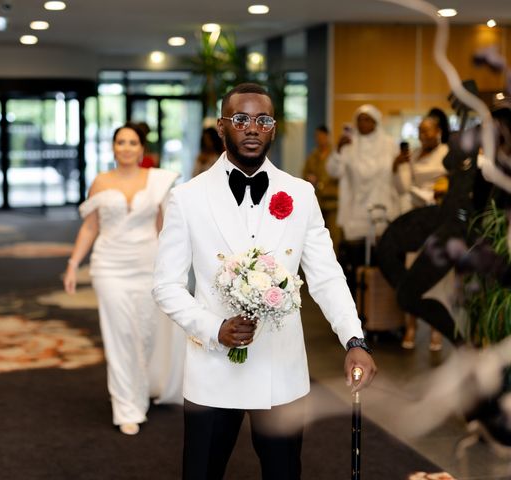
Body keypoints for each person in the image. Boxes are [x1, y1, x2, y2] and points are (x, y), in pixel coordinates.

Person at [152, 83, 376, 479]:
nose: (251, 128)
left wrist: (353, 339)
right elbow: (166, 285)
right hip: (214, 367)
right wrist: (214, 328)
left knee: (284, 473)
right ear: (222, 128)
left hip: (280, 366)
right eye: (240, 119)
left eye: (263, 120)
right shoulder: (187, 198)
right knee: (201, 471)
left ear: (274, 129)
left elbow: (325, 275)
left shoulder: (301, 194)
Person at [63, 122, 179, 435]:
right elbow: (90, 227)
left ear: (142, 149)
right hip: (109, 267)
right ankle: (127, 406)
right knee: (120, 335)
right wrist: (74, 264)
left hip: (147, 265)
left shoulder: (157, 181)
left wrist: (173, 269)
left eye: (132, 142)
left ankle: (144, 386)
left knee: (144, 334)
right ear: (113, 147)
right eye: (120, 142)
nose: (126, 148)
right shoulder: (101, 181)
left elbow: (163, 228)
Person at [326, 104, 400, 297]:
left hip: (383, 212)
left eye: (367, 119)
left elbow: (397, 176)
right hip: (356, 214)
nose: (362, 123)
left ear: (376, 122)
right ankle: (356, 310)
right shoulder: (350, 146)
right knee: (354, 266)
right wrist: (338, 150)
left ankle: (380, 316)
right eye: (359, 119)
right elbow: (333, 171)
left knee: (381, 266)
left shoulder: (389, 145)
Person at [393, 114, 449, 352]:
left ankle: (437, 329)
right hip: (416, 218)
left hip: (438, 217)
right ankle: (411, 326)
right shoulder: (414, 154)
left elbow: (451, 183)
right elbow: (403, 188)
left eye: (428, 130)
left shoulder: (447, 152)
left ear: (438, 131)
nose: (423, 135)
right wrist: (397, 166)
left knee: (437, 273)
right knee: (412, 272)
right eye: (420, 130)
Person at [302, 125, 340, 249]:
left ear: (327, 136)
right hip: (317, 201)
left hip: (333, 201)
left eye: (321, 136)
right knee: (316, 234)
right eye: (317, 136)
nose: (319, 139)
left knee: (334, 235)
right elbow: (304, 173)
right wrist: (309, 178)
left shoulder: (335, 155)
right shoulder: (312, 156)